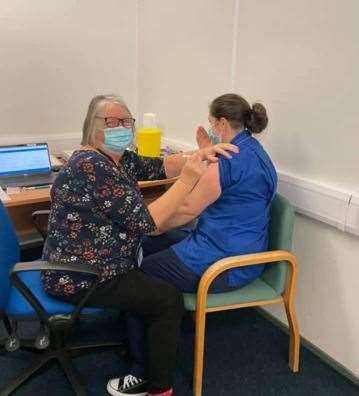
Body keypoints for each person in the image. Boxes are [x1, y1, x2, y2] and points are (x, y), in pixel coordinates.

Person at [41, 94, 238, 396]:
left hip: (99, 258)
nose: (121, 127)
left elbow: (160, 166)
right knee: (166, 300)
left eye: (126, 121)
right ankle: (158, 388)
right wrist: (188, 179)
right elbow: (150, 222)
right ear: (92, 127)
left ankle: (139, 348)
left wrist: (199, 155)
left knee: (157, 264)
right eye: (111, 122)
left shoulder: (118, 159)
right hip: (81, 273)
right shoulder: (92, 166)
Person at [110, 93, 278, 394]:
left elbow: (186, 210)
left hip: (225, 263)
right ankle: (140, 329)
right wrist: (205, 150)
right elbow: (232, 191)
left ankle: (142, 371)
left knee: (139, 276)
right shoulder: (255, 150)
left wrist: (146, 225)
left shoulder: (226, 160)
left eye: (213, 123)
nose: (211, 128)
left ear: (223, 123)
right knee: (146, 245)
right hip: (243, 252)